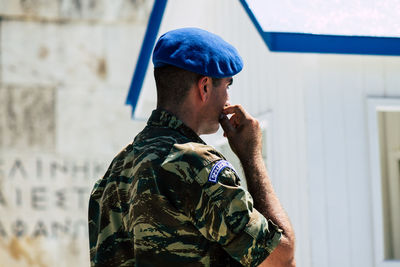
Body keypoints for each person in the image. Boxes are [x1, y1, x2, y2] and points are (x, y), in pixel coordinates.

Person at [88, 28, 295, 267]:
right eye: (227, 85)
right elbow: (281, 257)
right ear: (204, 87)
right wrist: (251, 156)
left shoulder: (115, 171)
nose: (228, 99)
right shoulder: (196, 163)